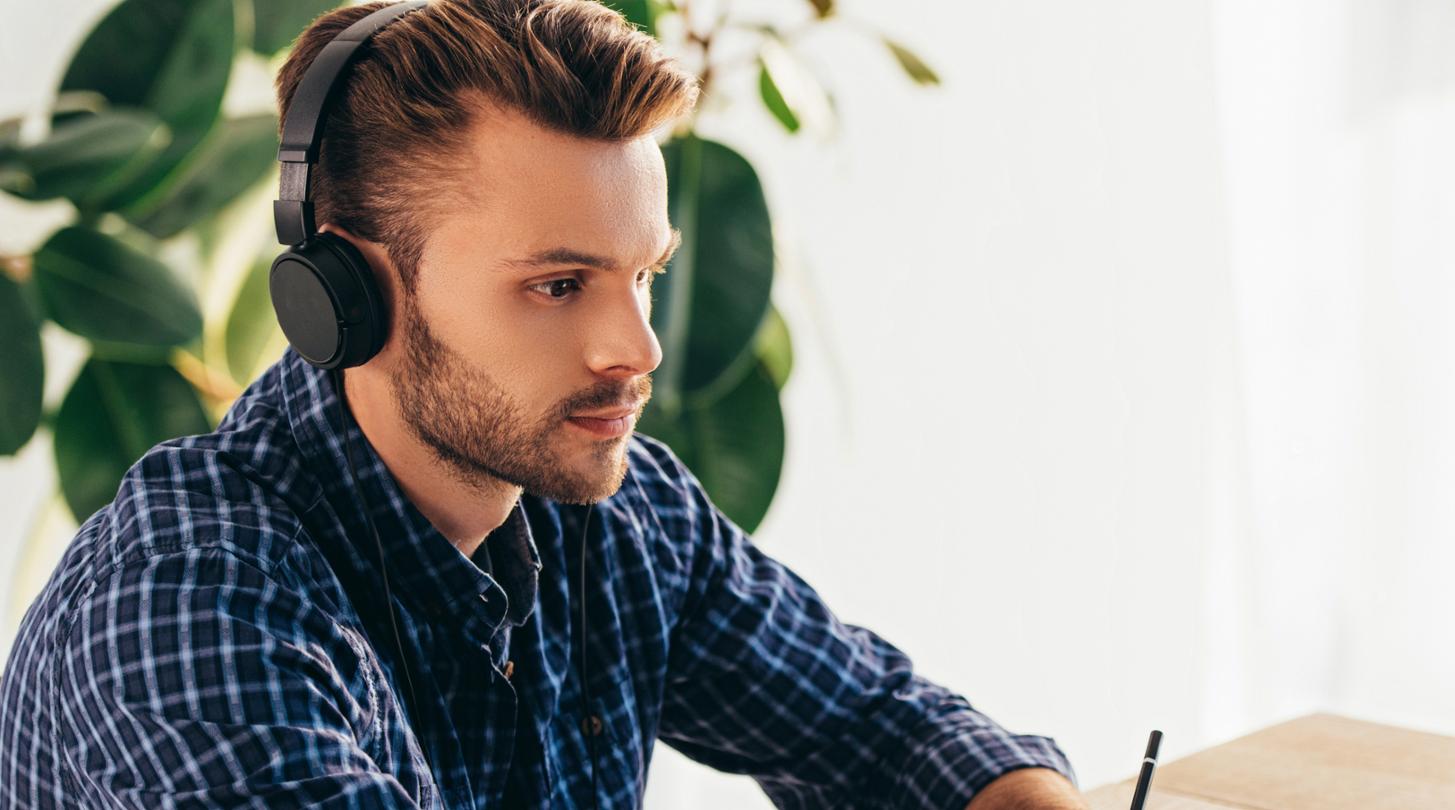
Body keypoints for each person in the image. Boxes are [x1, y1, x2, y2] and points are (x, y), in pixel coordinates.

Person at [0, 1, 1083, 807]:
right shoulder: (184, 607)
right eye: (558, 286)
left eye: (644, 275)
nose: (637, 349)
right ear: (346, 297)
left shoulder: (617, 509)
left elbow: (879, 733)